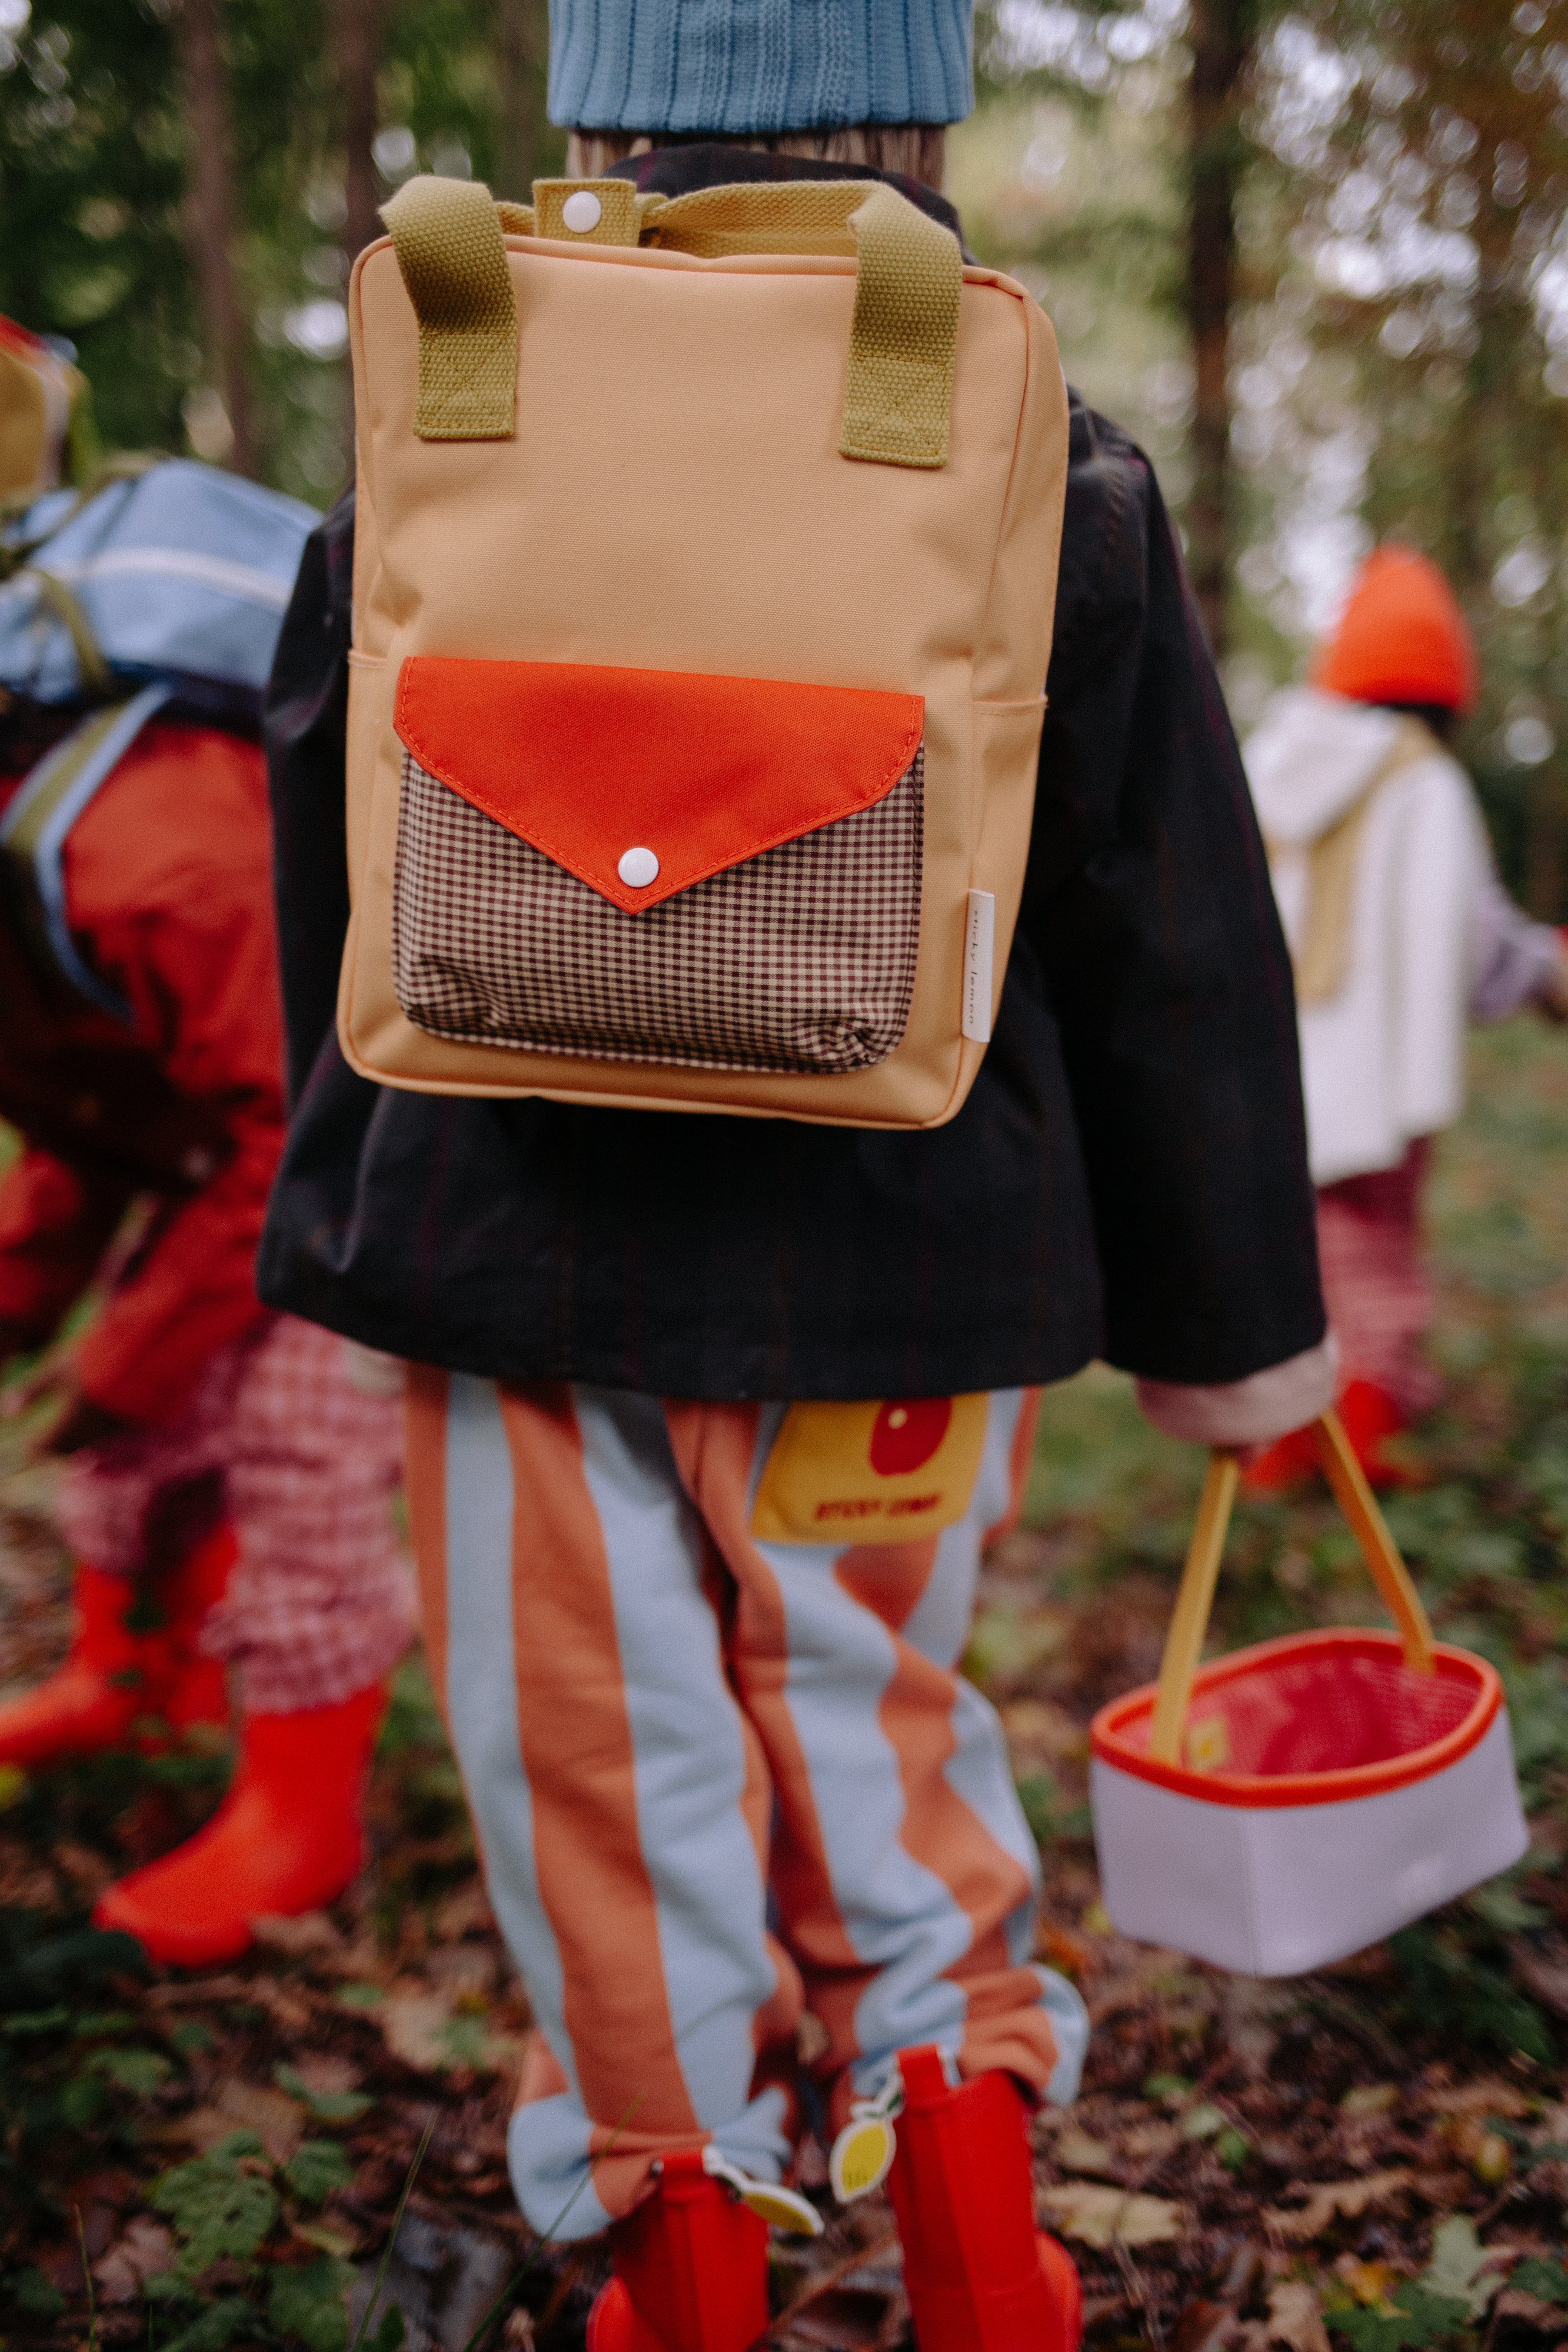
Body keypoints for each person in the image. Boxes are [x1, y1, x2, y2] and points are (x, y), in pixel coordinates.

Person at [260, 6, 1333, 2344]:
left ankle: (680, 2251)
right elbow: (1167, 929)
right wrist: (1235, 1328)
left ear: (590, 110)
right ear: (914, 115)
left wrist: (330, 1190)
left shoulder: (457, 392)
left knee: (595, 1754)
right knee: (881, 1725)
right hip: (916, 1247)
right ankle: (971, 2238)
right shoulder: (1035, 439)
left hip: (498, 1241)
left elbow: (321, 818)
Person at [0, 323, 414, 1968]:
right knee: (136, 1422)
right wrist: (35, 1308)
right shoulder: (47, 879)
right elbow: (104, 1120)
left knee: (299, 1444)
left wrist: (114, 1351)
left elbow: (268, 1126)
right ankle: (133, 1677)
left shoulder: (156, 851)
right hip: (230, 1135)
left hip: (357, 1143)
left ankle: (298, 1816)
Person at [1242, 546, 1568, 1491]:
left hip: (1270, 1068)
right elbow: (1472, 941)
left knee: (1283, 1251)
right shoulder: (1423, 781)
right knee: (1373, 1252)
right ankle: (1366, 1433)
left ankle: (1277, 1440)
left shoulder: (1265, 763)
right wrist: (1543, 971)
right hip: (1375, 1079)